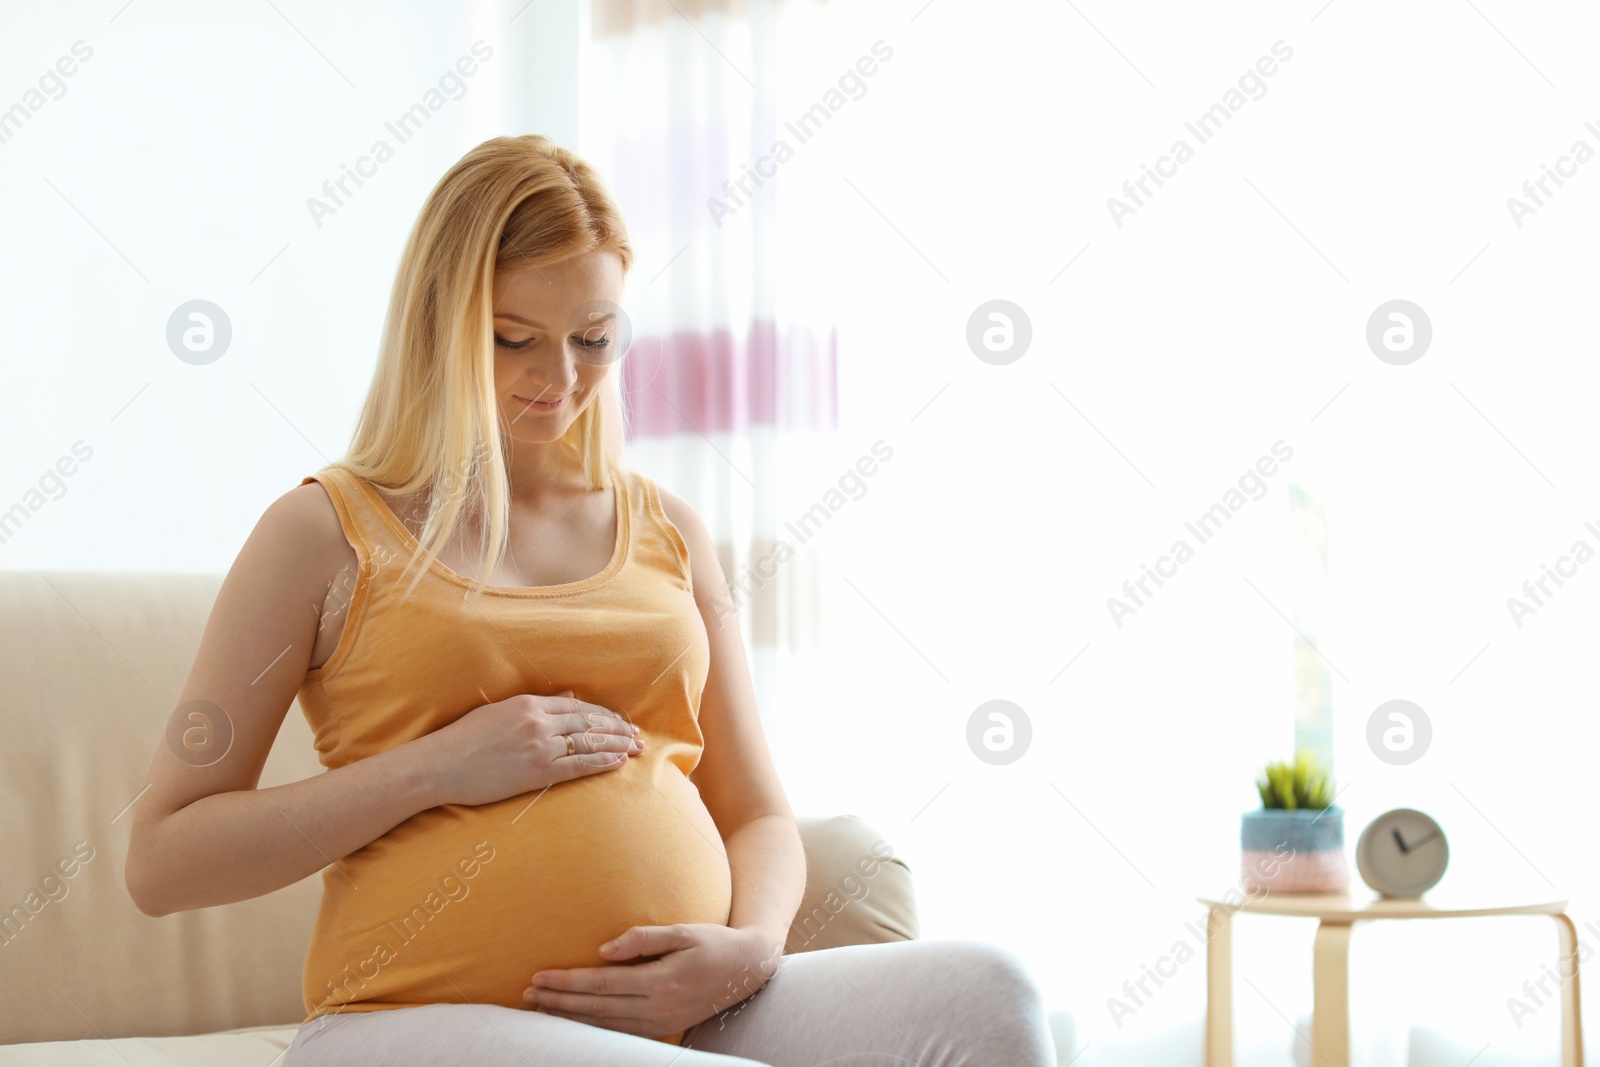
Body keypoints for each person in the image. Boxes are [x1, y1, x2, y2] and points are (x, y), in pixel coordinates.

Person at [124, 134, 1056, 1066]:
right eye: (514, 337)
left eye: (594, 340)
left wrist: (749, 950)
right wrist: (437, 768)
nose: (560, 379)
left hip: (690, 1013)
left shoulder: (671, 530)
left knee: (992, 997)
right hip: (398, 1025)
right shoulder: (323, 533)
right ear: (438, 323)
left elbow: (758, 814)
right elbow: (162, 859)